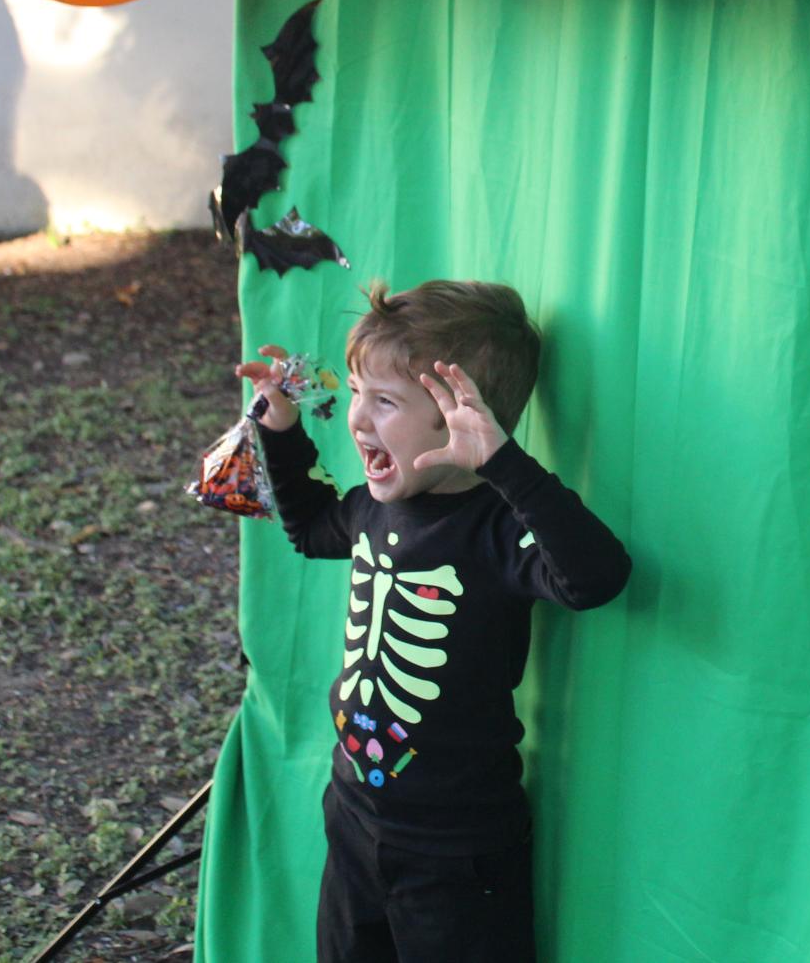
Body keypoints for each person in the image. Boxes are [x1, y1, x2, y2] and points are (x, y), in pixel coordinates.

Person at [237, 279, 631, 963]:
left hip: (457, 850)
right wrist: (282, 431)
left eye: (384, 401)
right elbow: (304, 526)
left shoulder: (499, 533)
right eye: (358, 391)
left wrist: (506, 464)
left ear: (459, 422)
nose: (357, 419)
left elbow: (595, 577)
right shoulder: (370, 509)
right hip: (355, 814)